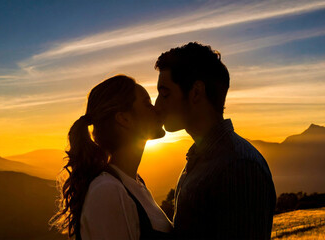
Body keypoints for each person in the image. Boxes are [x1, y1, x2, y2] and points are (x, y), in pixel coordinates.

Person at [154, 42, 276, 239]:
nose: (157, 105)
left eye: (165, 94)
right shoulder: (202, 159)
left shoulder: (239, 167)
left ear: (196, 92)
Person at [50, 75, 173, 240]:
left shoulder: (134, 184)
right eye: (146, 103)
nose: (156, 109)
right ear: (124, 119)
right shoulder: (108, 190)